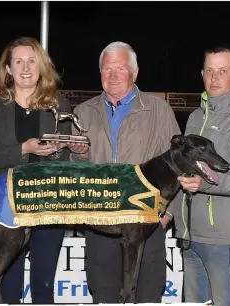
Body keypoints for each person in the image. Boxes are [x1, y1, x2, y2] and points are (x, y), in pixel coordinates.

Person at [69, 41, 181, 303]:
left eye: (120, 68)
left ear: (135, 73)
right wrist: (79, 154)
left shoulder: (159, 110)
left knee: (146, 297)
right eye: (107, 69)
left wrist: (168, 214)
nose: (113, 75)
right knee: (104, 297)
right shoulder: (82, 113)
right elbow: (76, 171)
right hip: (99, 224)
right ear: (100, 73)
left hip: (147, 225)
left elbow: (179, 165)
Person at [0, 36, 73, 304]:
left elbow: (62, 158)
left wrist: (69, 152)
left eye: (31, 61)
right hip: (7, 203)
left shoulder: (58, 105)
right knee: (9, 283)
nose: (25, 68)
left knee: (44, 283)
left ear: (41, 66)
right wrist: (24, 149)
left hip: (48, 201)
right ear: (8, 69)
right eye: (18, 62)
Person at [161, 47, 230, 306]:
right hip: (190, 235)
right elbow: (182, 169)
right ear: (202, 73)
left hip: (224, 238)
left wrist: (207, 182)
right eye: (209, 70)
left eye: (223, 71)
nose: (214, 78)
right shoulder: (196, 117)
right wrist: (171, 212)